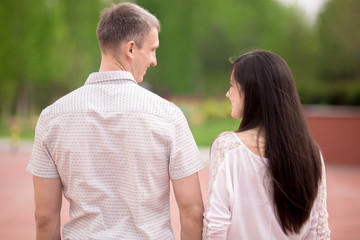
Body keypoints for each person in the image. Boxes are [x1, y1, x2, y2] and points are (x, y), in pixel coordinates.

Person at [26, 2, 204, 239]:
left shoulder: (52, 118)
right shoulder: (168, 116)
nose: (154, 60)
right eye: (152, 50)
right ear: (131, 49)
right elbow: (192, 210)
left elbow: (45, 218)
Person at [202, 50, 331, 239]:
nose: (228, 93)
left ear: (252, 92)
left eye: (232, 85)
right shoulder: (311, 153)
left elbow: (215, 226)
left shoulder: (228, 148)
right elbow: (318, 230)